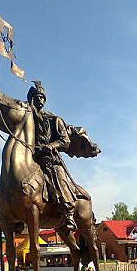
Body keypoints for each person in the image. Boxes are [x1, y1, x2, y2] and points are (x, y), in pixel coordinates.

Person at [27, 81, 91, 232]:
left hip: (50, 159)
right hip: (32, 158)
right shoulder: (27, 119)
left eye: (42, 98)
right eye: (36, 97)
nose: (39, 101)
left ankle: (68, 211)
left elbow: (65, 141)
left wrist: (50, 146)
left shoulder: (54, 119)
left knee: (57, 176)